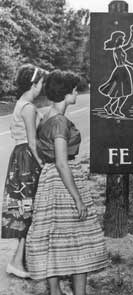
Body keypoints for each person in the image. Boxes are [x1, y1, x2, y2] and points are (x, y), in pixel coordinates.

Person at [26, 70, 108, 295]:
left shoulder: (46, 116)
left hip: (49, 181)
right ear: (65, 92)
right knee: (78, 236)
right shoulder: (60, 122)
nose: (76, 93)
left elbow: (41, 151)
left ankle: (56, 293)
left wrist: (48, 167)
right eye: (73, 89)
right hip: (65, 180)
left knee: (52, 236)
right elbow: (62, 163)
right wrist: (78, 198)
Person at [1, 64, 47, 278]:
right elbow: (32, 142)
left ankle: (20, 260)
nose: (42, 86)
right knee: (30, 209)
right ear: (34, 84)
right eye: (41, 82)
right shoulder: (28, 107)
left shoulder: (22, 104)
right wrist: (43, 164)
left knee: (27, 209)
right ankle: (18, 262)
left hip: (19, 157)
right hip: (27, 159)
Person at [98, 27, 133, 118]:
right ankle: (111, 107)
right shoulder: (117, 49)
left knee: (125, 92)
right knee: (120, 92)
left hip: (123, 70)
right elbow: (122, 61)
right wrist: (131, 65)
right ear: (118, 39)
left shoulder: (120, 48)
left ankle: (115, 108)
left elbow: (129, 44)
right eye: (122, 38)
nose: (124, 40)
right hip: (120, 71)